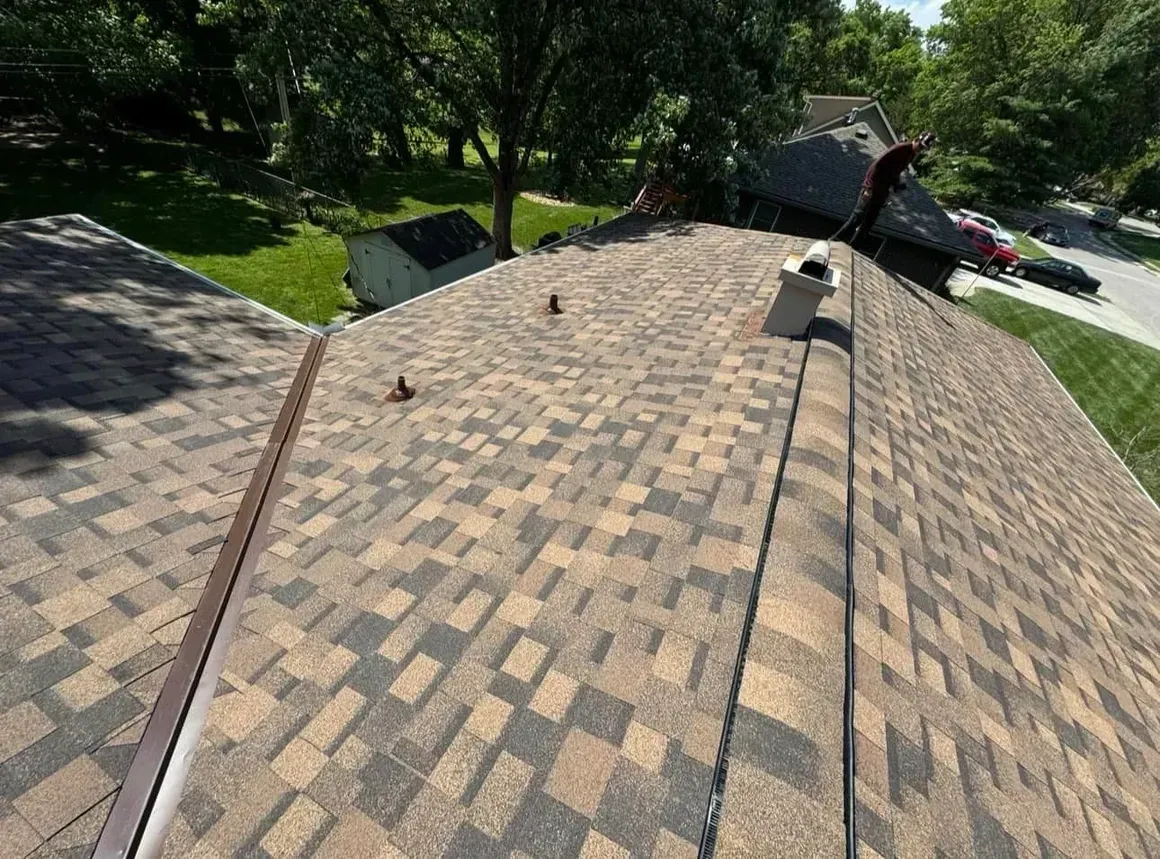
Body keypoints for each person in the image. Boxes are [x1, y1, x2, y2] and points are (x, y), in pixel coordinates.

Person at [832, 131, 937, 248]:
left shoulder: (911, 155)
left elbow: (894, 172)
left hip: (882, 192)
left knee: (868, 224)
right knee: (856, 218)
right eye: (921, 146)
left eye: (923, 149)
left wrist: (895, 186)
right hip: (872, 189)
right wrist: (868, 188)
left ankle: (852, 248)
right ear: (917, 140)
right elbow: (876, 165)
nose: (920, 149)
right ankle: (833, 242)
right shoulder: (901, 148)